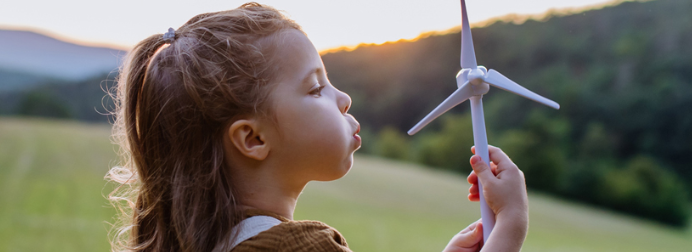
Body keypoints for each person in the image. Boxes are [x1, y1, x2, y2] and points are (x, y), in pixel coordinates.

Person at [106, 2, 528, 252]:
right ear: (253, 139)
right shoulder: (302, 249)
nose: (342, 98)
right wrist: (509, 227)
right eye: (315, 89)